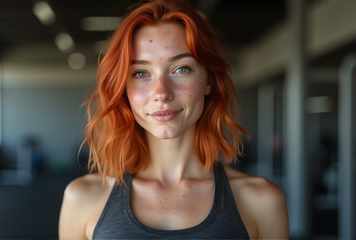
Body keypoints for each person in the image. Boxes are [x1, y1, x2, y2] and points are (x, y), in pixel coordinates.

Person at [59, 0, 289, 239]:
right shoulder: (82, 198)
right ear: (123, 89)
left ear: (208, 81)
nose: (161, 93)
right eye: (140, 73)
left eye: (181, 69)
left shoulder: (261, 201)